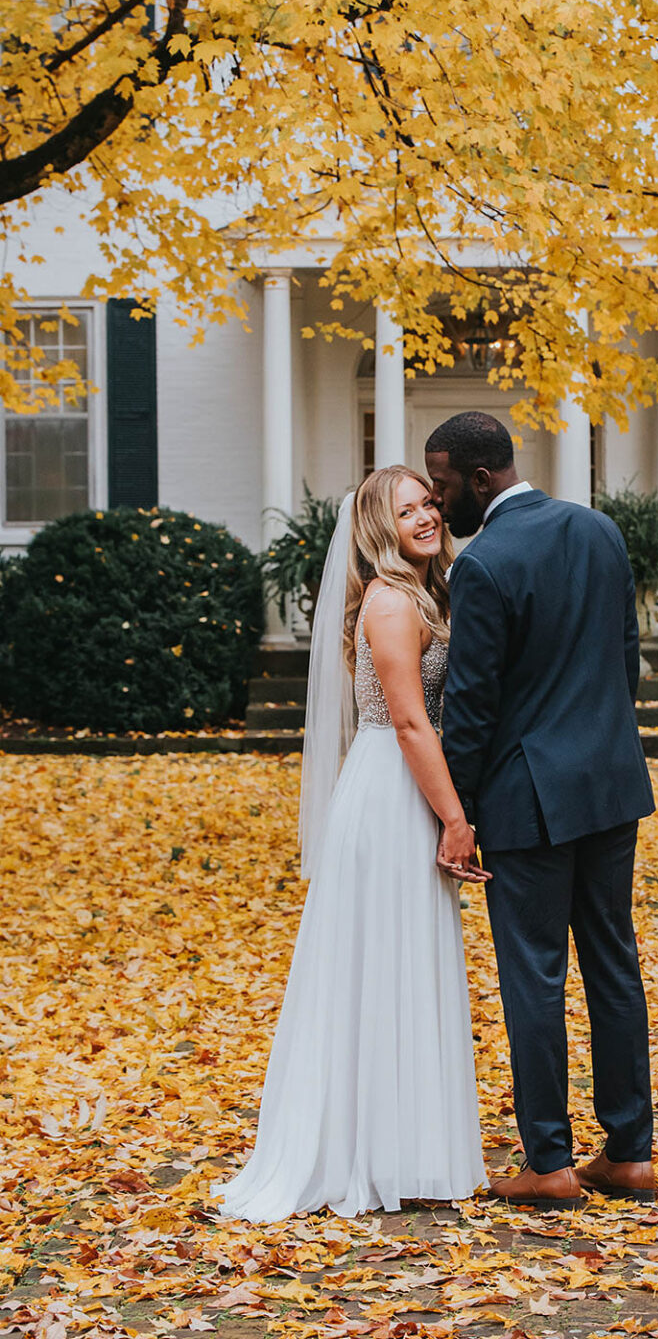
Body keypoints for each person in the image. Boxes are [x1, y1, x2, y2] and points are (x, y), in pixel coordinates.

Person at [213, 466, 487, 1220]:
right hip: (391, 790)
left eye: (429, 502)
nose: (427, 516)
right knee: (381, 963)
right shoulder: (392, 601)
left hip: (405, 783)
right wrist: (456, 819)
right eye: (408, 510)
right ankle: (363, 1153)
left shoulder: (430, 592)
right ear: (378, 527)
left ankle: (402, 1146)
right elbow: (407, 723)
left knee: (404, 962)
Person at [425, 411, 658, 1210]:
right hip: (609, 783)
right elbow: (625, 659)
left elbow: (474, 706)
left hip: (526, 796)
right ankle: (629, 1154)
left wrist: (451, 809)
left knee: (533, 974)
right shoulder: (599, 531)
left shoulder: (482, 564)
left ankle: (550, 1162)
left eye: (445, 484)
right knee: (613, 962)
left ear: (481, 479)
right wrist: (597, 741)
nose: (438, 498)